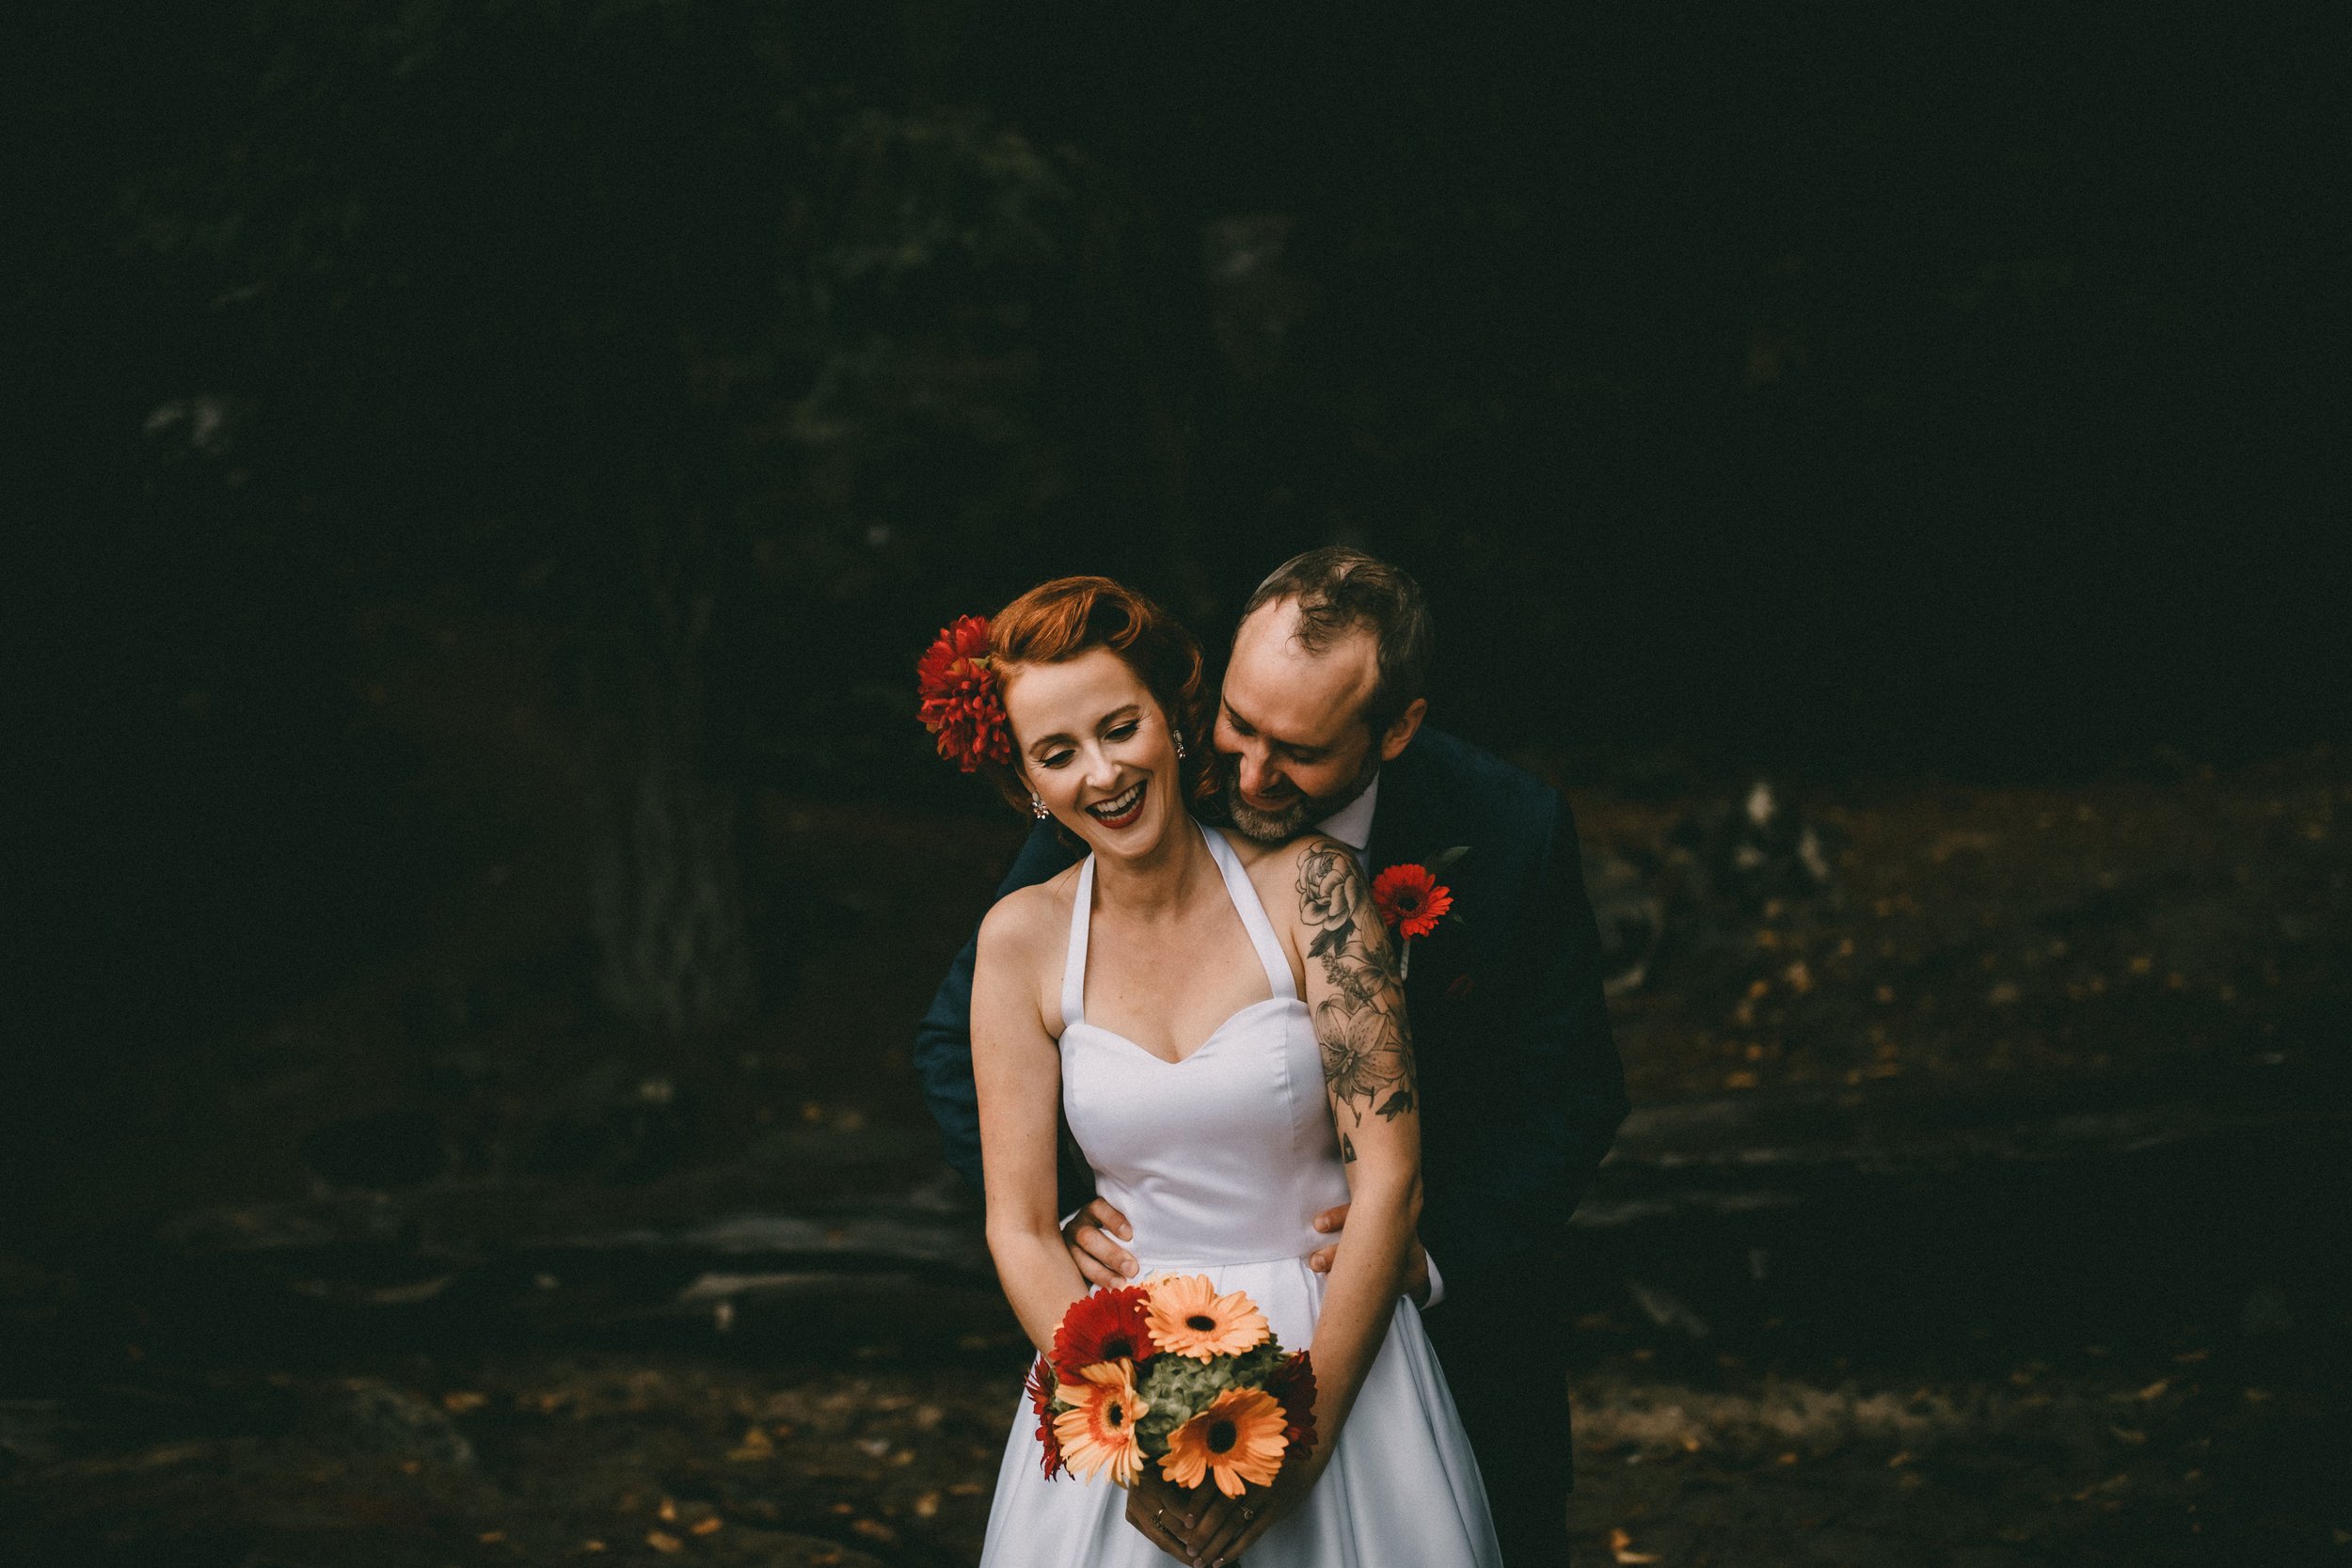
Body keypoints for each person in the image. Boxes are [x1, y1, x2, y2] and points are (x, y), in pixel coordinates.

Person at [919, 549, 1629, 1564]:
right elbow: (974, 1061)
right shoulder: (1087, 827)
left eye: (1292, 748)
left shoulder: (1486, 834)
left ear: (1394, 729)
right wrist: (1072, 1230)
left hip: (1409, 1319)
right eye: (1236, 727)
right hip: (1135, 1341)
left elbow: (1570, 1088)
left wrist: (1423, 1261)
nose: (1245, 775)